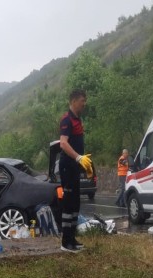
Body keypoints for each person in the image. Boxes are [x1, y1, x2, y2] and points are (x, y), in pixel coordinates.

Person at [58, 89, 92, 253]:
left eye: (84, 100)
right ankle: (65, 242)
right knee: (69, 203)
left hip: (75, 167)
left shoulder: (78, 119)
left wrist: (83, 162)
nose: (84, 104)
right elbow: (63, 143)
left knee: (76, 203)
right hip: (67, 166)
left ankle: (72, 238)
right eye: (82, 101)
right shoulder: (67, 119)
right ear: (73, 101)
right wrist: (78, 157)